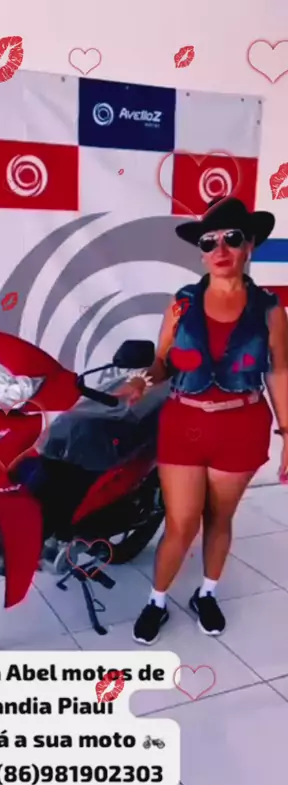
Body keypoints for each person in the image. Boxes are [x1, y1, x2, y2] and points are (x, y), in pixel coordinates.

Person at [117, 196, 288, 644]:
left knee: (219, 518)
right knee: (181, 523)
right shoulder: (182, 303)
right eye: (209, 241)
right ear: (201, 252)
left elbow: (279, 372)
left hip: (242, 427)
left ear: (249, 245)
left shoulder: (271, 310)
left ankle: (206, 594)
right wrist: (142, 380)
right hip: (185, 425)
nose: (220, 248)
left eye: (232, 238)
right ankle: (157, 601)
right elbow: (162, 361)